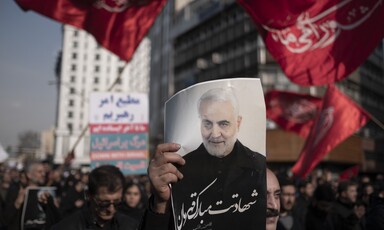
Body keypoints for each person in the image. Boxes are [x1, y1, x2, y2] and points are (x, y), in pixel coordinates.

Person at [142, 88, 266, 230]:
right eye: (207, 123)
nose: (214, 134)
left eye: (223, 124)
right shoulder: (179, 169)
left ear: (238, 123)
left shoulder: (258, 167)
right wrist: (160, 203)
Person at [50, 165, 137, 230]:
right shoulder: (67, 227)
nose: (111, 209)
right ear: (89, 195)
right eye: (104, 203)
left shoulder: (131, 226)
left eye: (117, 202)